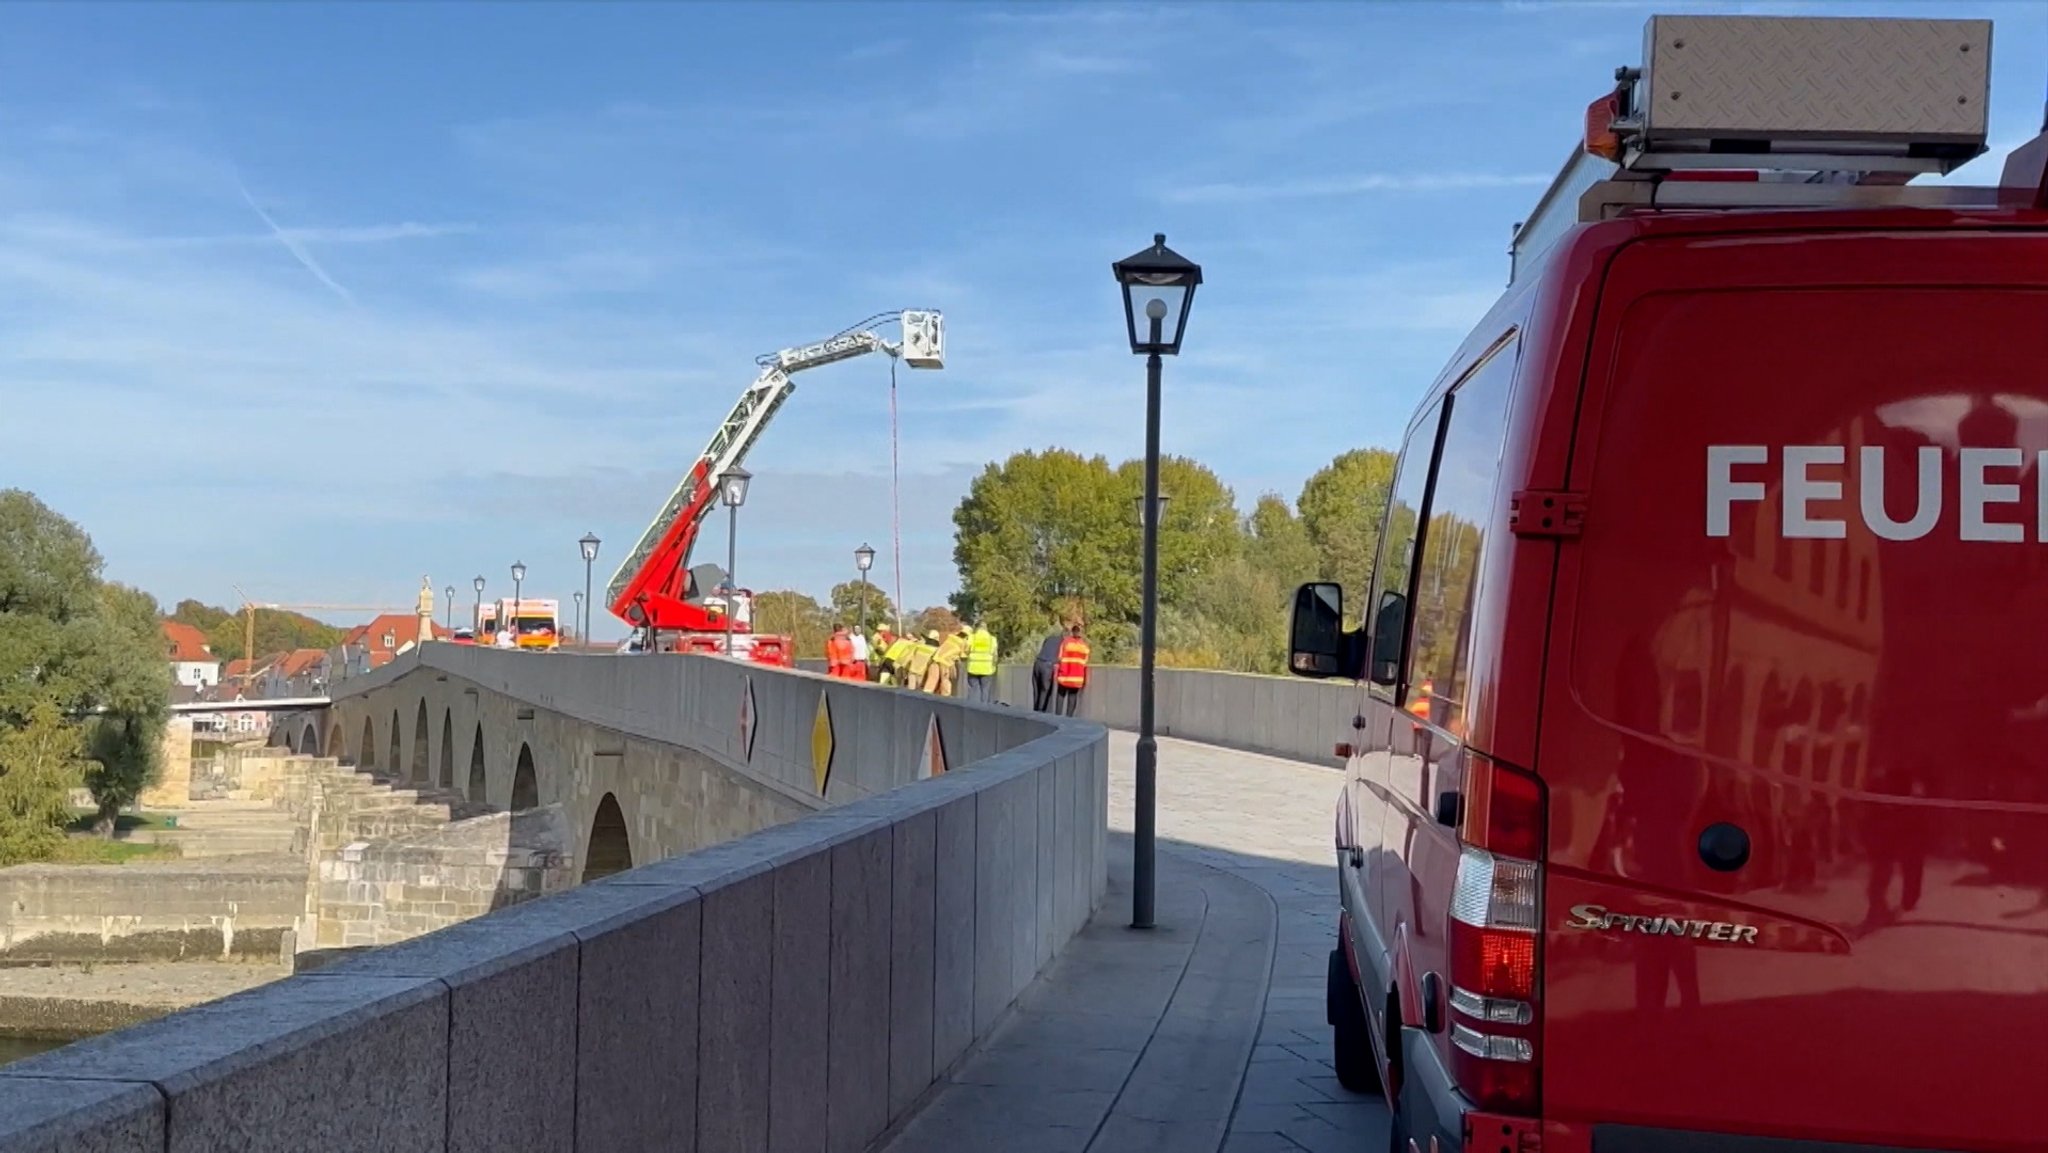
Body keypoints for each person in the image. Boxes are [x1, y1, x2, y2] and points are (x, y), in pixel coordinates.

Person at [1054, 623, 1090, 716]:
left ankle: (1057, 718)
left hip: (1064, 676)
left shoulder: (1065, 643)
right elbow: (1085, 662)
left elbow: (1059, 657)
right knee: (1072, 699)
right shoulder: (1084, 646)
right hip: (1076, 678)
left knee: (1060, 697)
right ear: (1079, 633)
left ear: (1072, 632)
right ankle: (1069, 719)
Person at [925, 626, 969, 696]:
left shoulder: (950, 638)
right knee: (945, 680)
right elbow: (963, 655)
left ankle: (925, 696)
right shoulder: (963, 642)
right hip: (945, 663)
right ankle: (946, 698)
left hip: (935, 660)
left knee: (932, 679)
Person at [964, 622, 998, 703]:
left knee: (973, 689)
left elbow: (966, 651)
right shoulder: (992, 639)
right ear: (986, 628)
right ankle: (984, 710)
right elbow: (995, 655)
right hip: (987, 669)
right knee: (985, 691)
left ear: (977, 628)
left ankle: (972, 709)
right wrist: (994, 666)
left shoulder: (972, 637)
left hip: (973, 668)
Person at [1031, 629, 1063, 712]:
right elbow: (1061, 657)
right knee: (1045, 691)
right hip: (1047, 666)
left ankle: (1035, 711)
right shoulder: (1063, 642)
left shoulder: (1049, 639)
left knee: (1037, 691)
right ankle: (1041, 713)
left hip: (1037, 663)